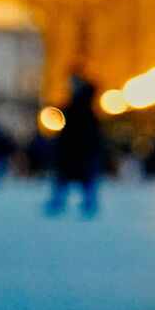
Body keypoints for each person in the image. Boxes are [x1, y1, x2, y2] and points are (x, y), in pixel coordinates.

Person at [47, 73, 106, 216]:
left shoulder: (77, 107)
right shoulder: (85, 108)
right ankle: (86, 203)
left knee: (69, 178)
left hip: (75, 152)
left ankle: (61, 202)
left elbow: (70, 134)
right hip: (80, 153)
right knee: (82, 179)